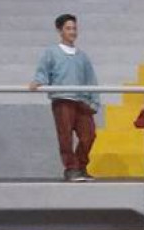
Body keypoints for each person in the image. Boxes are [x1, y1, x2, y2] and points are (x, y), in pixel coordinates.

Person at [29, 13, 99, 182]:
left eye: (74, 28)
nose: (72, 31)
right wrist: (38, 81)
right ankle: (71, 168)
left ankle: (81, 166)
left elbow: (91, 79)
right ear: (60, 31)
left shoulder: (82, 56)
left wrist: (94, 101)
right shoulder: (51, 53)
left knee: (89, 135)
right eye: (68, 28)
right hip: (62, 99)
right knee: (65, 136)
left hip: (81, 101)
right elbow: (43, 72)